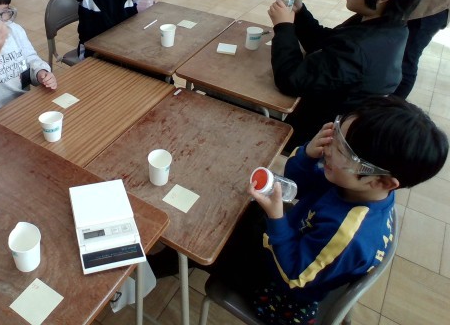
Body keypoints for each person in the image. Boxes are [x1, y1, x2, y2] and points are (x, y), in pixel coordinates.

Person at [150, 96, 448, 325]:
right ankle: (179, 255)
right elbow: (297, 186)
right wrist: (306, 156)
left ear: (382, 181)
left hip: (280, 292)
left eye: (342, 150)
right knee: (227, 208)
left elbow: (294, 276)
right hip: (294, 242)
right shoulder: (355, 185)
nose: (329, 148)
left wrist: (276, 219)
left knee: (205, 235)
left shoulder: (348, 231)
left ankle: (170, 261)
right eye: (336, 134)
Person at [268, 0, 431, 150]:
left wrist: (283, 27)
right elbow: (325, 41)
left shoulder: (358, 47)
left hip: (315, 134)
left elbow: (289, 80)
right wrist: (299, 12)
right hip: (328, 112)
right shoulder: (389, 26)